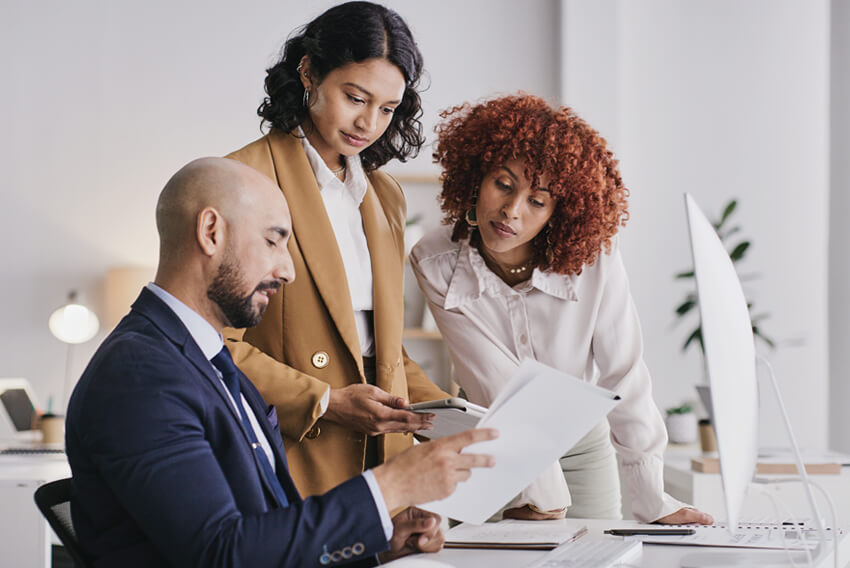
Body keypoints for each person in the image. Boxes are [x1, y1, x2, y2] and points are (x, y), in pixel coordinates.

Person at [65, 157, 497, 567]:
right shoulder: (140, 375)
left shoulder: (206, 358)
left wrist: (377, 548)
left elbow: (266, 537)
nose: (288, 271)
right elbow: (221, 555)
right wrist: (390, 487)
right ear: (211, 231)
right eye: (273, 240)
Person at [409, 94, 714, 525]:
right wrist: (539, 495)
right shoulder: (435, 260)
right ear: (477, 176)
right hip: (490, 440)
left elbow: (623, 373)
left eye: (537, 201)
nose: (511, 211)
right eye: (503, 184)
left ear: (559, 211)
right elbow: (490, 379)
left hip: (582, 445)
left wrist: (652, 499)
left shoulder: (595, 258)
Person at [223, 1, 449, 498]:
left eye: (387, 109)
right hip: (291, 450)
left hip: (381, 456)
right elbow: (213, 345)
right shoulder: (244, 181)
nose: (369, 123)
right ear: (308, 71)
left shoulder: (385, 195)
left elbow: (380, 348)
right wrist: (324, 400)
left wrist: (456, 417)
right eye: (355, 97)